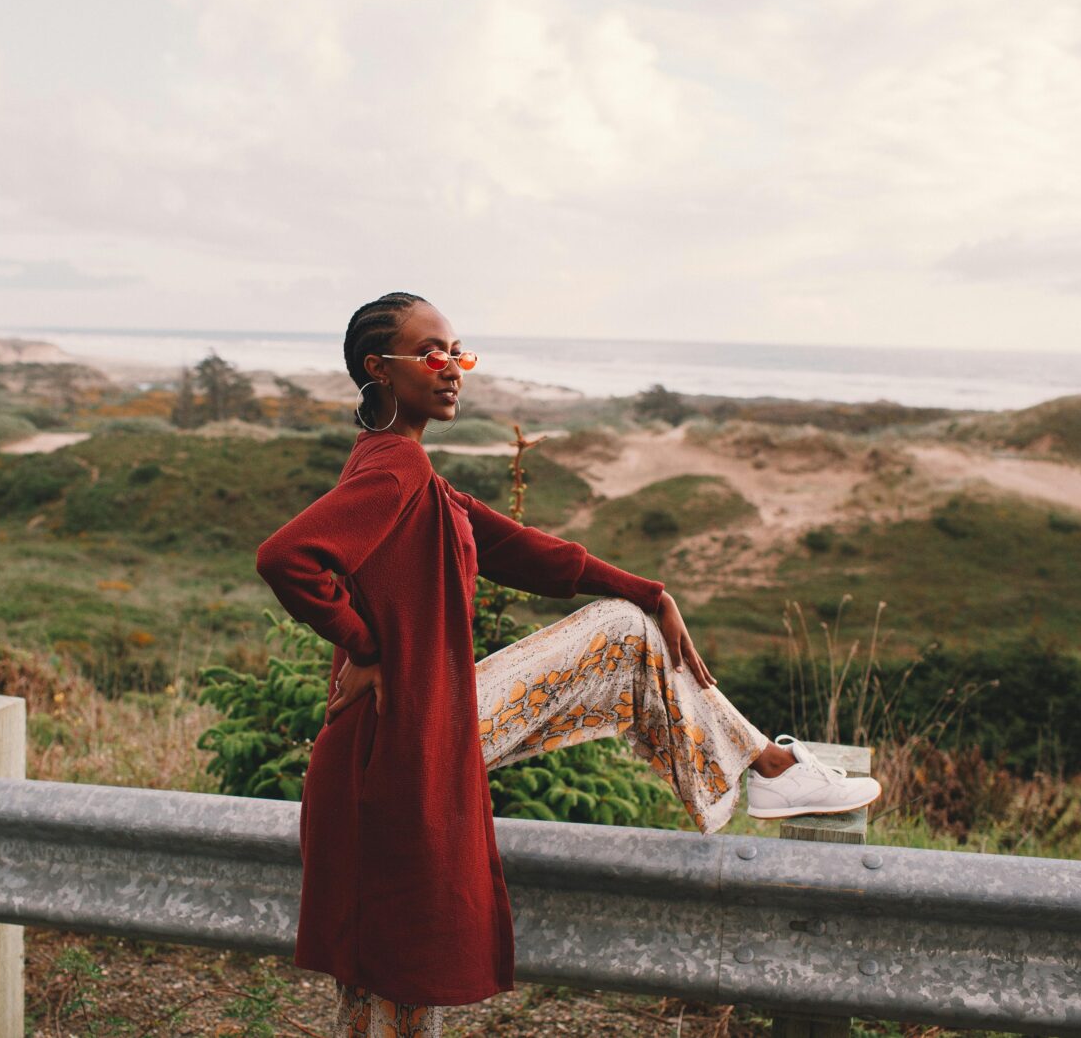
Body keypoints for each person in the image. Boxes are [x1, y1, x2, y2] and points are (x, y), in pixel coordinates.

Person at [255, 292, 882, 1038]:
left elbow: (518, 548)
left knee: (386, 997)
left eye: (459, 351)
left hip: (422, 727)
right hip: (386, 749)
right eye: (431, 352)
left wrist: (649, 590)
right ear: (376, 370)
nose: (452, 367)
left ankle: (763, 764)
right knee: (387, 998)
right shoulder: (395, 466)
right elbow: (286, 556)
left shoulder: (412, 471)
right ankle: (765, 767)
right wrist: (367, 645)